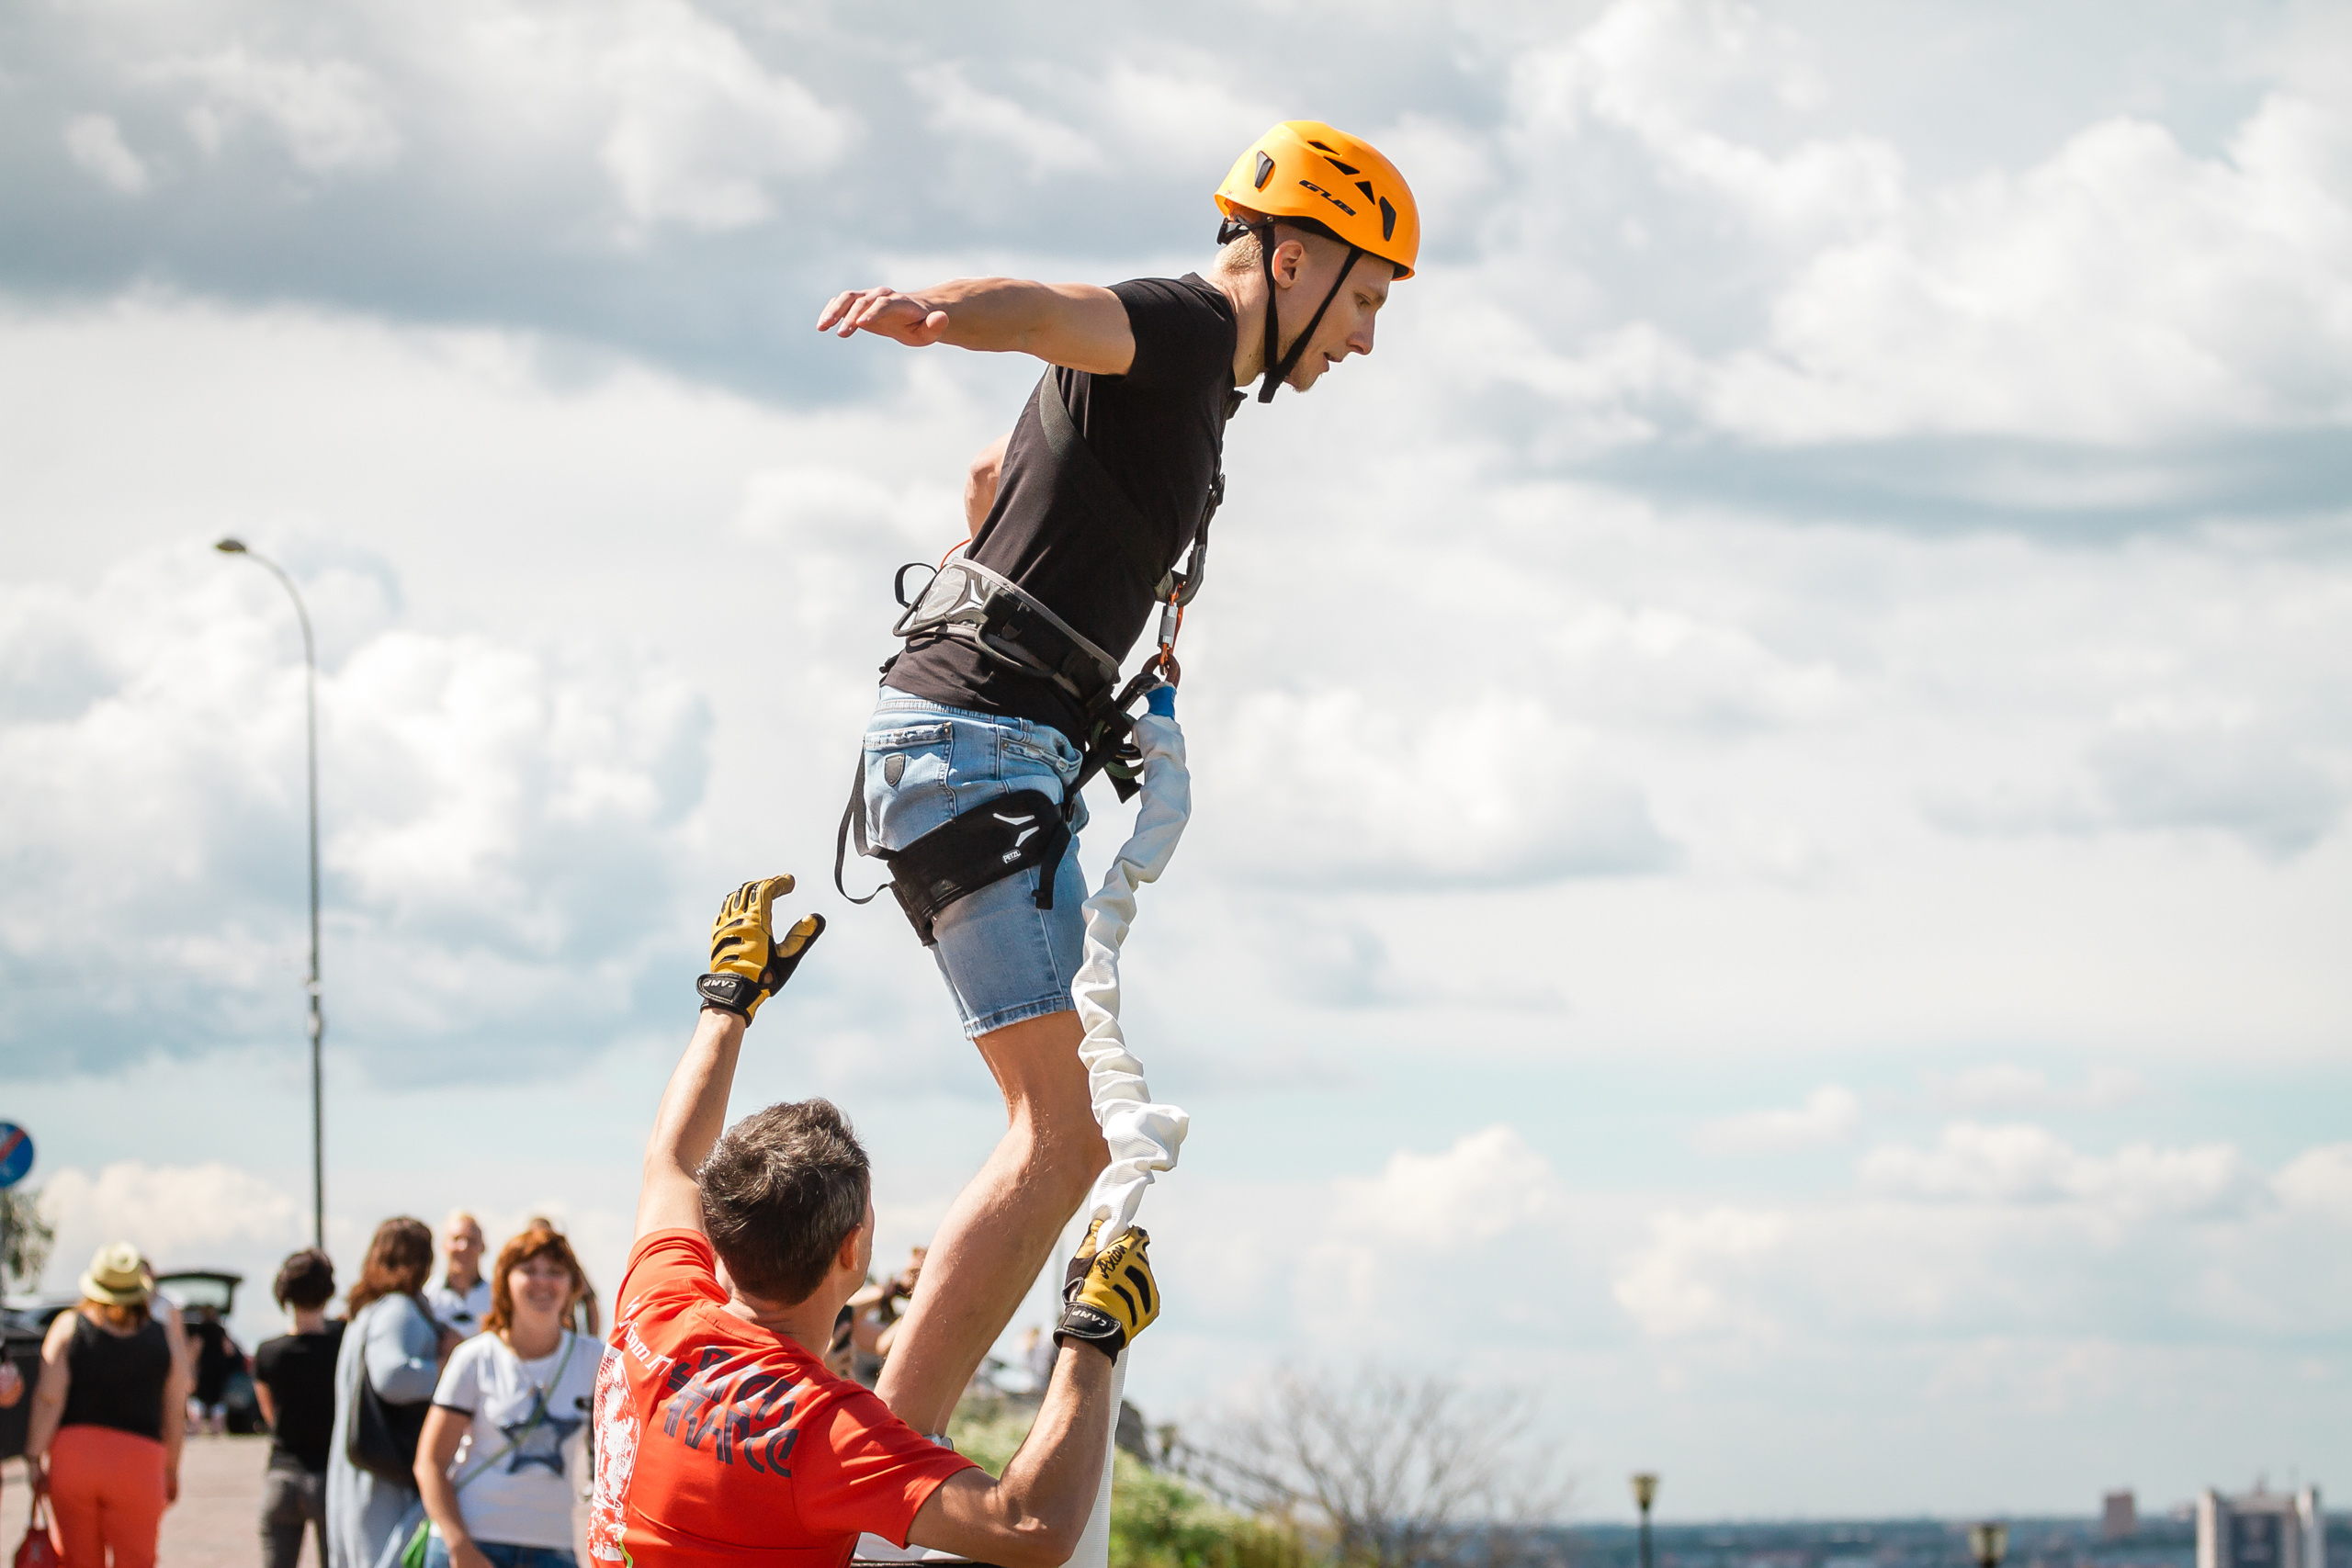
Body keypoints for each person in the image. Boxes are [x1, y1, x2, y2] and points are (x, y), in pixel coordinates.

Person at [820, 120, 1417, 1439]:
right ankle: (872, 1472)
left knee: (1064, 1130)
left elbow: (990, 475)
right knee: (1066, 1134)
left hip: (980, 736)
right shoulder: (1198, 329)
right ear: (1295, 257)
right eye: (1364, 300)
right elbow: (1060, 313)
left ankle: (876, 1459)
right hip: (977, 740)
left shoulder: (1195, 395)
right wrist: (938, 312)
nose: (1367, 338)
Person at [586, 874, 1163, 1566]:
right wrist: (1091, 1342)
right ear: (851, 1250)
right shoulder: (817, 1430)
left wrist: (725, 1002)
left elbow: (674, 1162)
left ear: (719, 1229)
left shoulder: (659, 1307)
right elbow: (1029, 1527)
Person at [414, 1224, 599, 1568]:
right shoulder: (475, 1357)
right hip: (472, 1545)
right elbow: (430, 1462)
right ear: (504, 1281)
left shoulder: (594, 1359)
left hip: (553, 1548)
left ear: (572, 1284)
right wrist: (460, 1547)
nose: (543, 1282)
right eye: (529, 1271)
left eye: (556, 1272)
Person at [22, 1242, 194, 1568]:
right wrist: (171, 1468)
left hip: (74, 1460)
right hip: (140, 1463)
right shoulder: (164, 1338)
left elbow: (49, 1398)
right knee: (137, 1560)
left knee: (78, 1560)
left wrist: (33, 1457)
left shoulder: (69, 1326)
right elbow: (174, 1408)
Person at [330, 1217, 462, 1568]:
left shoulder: (369, 1310)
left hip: (364, 1469)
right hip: (386, 1476)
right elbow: (394, 1378)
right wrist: (449, 1369)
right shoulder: (398, 1311)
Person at [253, 1247, 346, 1568]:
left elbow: (270, 1415)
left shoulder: (268, 1353)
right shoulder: (342, 1347)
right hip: (328, 1476)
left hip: (282, 1474)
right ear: (328, 1292)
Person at [425, 1212, 492, 1338]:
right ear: (444, 1245)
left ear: (483, 1246)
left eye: (471, 1240)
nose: (463, 1247)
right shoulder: (428, 1294)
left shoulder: (496, 1297)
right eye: (456, 1239)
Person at [186, 1303, 245, 1434]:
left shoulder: (199, 1330)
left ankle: (196, 1428)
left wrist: (191, 1370)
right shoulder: (220, 1330)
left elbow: (195, 1351)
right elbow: (229, 1350)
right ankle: (217, 1429)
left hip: (204, 1371)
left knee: (198, 1400)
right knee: (218, 1401)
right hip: (219, 1371)